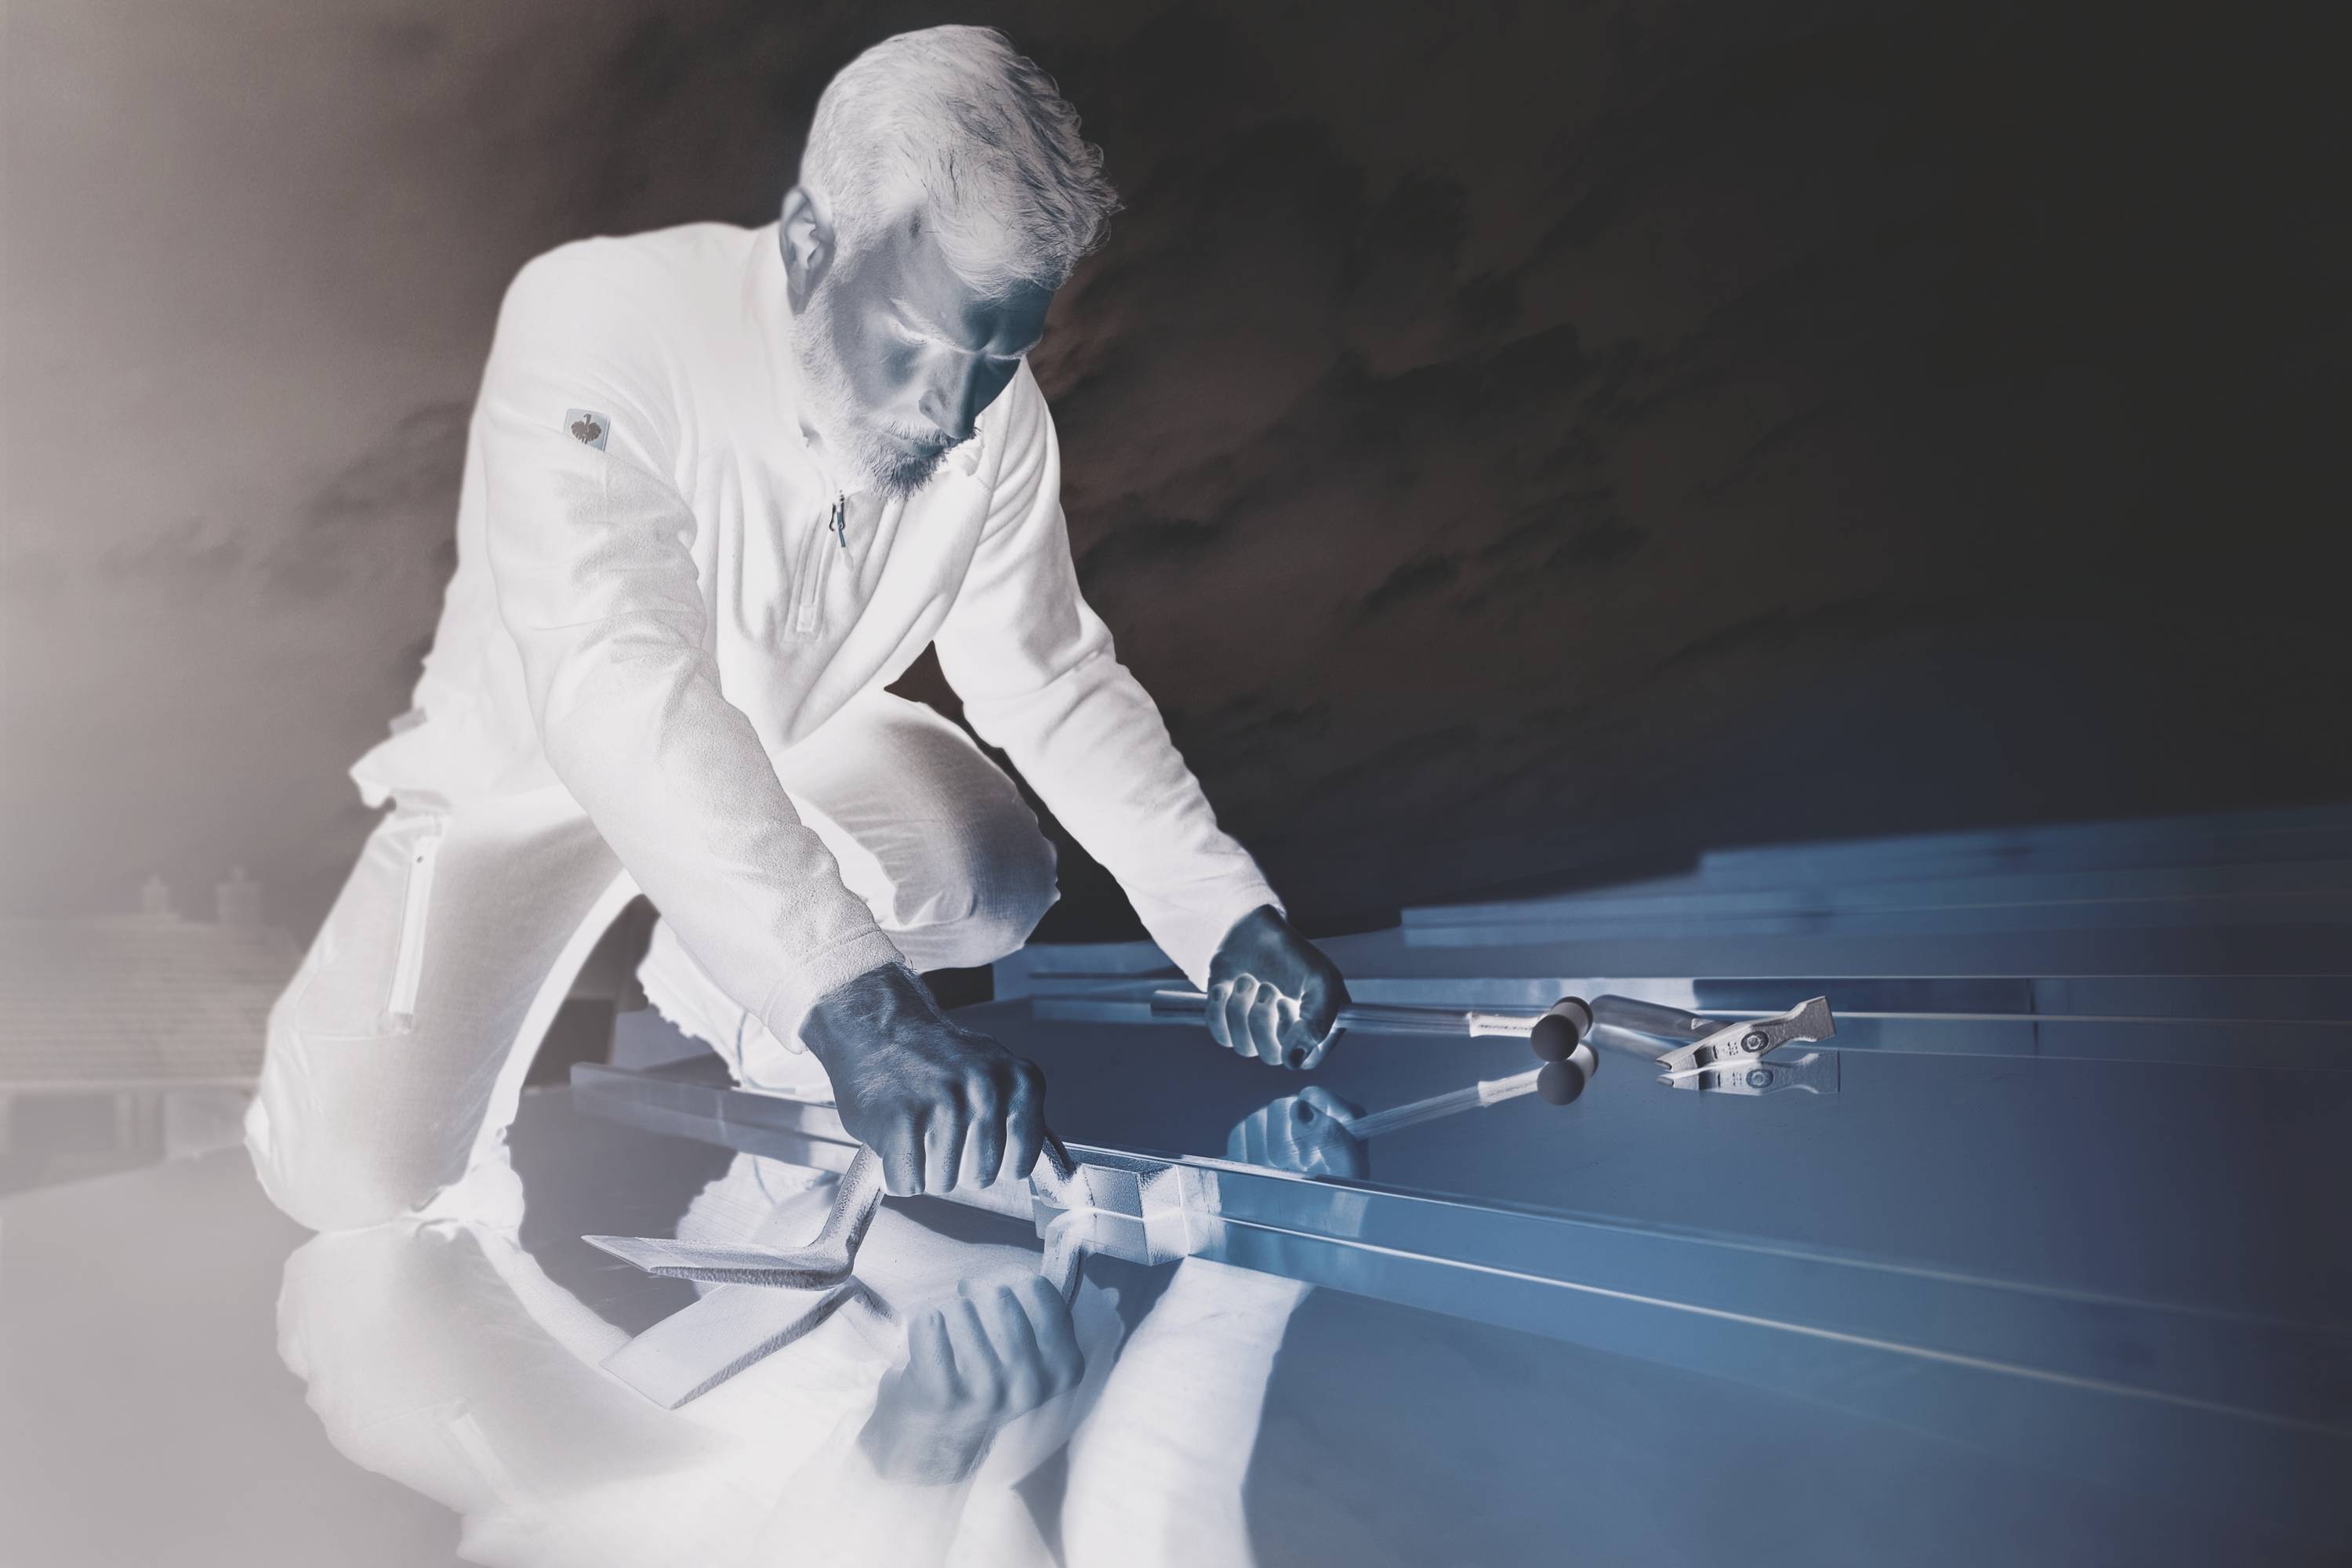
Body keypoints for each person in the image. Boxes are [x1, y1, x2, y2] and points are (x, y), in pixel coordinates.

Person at [245, 25, 1349, 1239]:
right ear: (813, 242)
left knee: (985, 869)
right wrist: (863, 1011)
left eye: (1003, 351)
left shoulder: (993, 417)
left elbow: (1049, 676)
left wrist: (1222, 915)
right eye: (922, 340)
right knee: (355, 1175)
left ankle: (725, 985)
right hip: (543, 767)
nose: (956, 403)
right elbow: (620, 677)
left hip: (789, 733)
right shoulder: (599, 315)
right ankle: (722, 989)